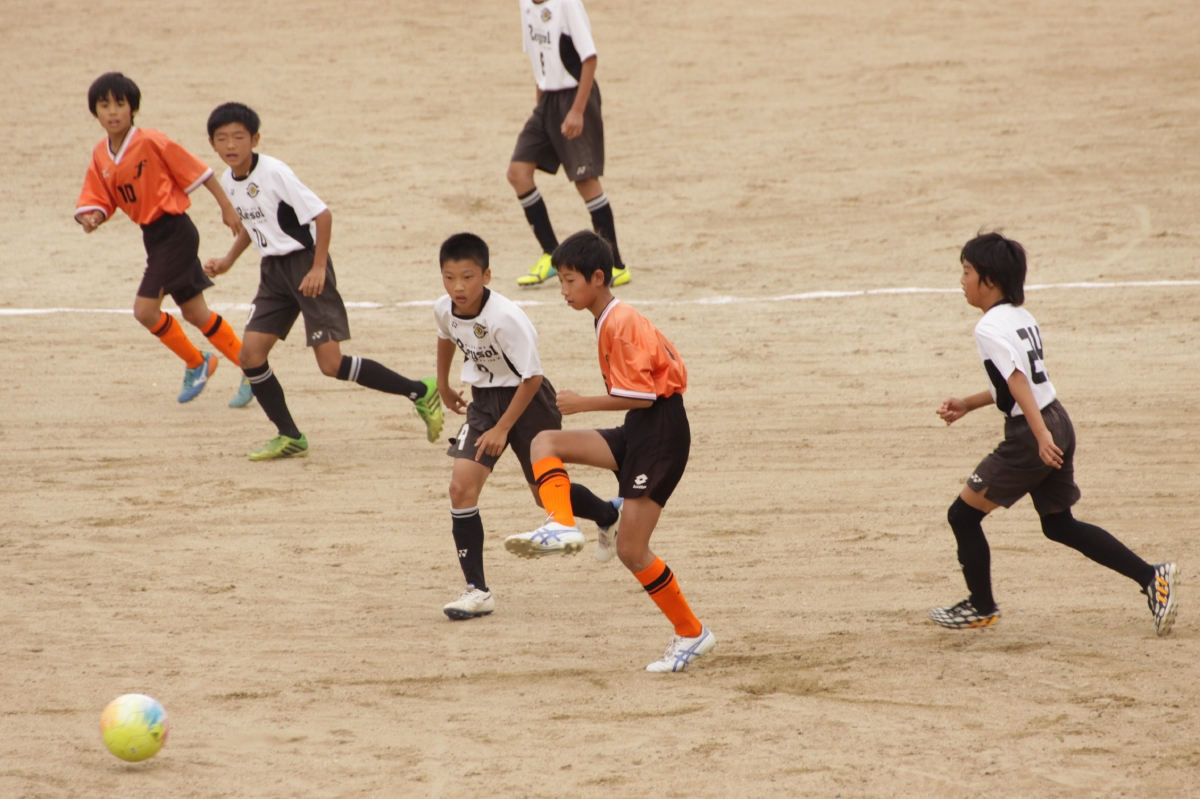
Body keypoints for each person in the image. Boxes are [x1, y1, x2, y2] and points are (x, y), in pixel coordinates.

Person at [932, 231, 1178, 635]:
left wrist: (1040, 436)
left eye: (967, 271)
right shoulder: (1021, 316)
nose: (962, 280)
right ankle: (1152, 576)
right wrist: (968, 403)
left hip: (1034, 433)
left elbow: (1017, 381)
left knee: (962, 515)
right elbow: (1019, 383)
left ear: (990, 279)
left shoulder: (988, 327)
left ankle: (981, 606)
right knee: (1059, 524)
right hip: (1056, 418)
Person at [504, 231, 714, 672]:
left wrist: (582, 403)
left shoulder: (621, 322)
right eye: (560, 281)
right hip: (642, 428)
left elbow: (643, 396)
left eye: (569, 281)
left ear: (597, 278)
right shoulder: (608, 318)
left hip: (661, 434)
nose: (563, 291)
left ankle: (691, 633)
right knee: (545, 442)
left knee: (632, 551)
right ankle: (562, 523)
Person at [201, 102, 442, 460]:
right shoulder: (228, 181)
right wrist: (228, 261)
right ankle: (290, 436)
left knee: (331, 365)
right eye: (222, 139)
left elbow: (322, 215)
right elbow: (256, 224)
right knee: (250, 356)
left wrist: (317, 268)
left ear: (255, 139)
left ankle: (420, 391)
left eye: (239, 137)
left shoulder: (274, 172)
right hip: (273, 275)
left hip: (306, 266)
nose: (231, 145)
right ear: (212, 144)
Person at [434, 232, 620, 619]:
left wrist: (503, 428)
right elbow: (446, 334)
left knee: (543, 496)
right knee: (460, 488)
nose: (458, 287)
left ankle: (608, 515)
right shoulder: (444, 308)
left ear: (486, 275)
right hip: (484, 402)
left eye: (467, 277)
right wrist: (443, 384)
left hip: (529, 402)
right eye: (449, 278)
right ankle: (477, 591)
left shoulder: (505, 318)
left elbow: (532, 378)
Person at [74, 72, 251, 407]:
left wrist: (227, 207)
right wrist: (92, 217)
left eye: (120, 104)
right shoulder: (101, 154)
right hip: (154, 237)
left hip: (175, 232)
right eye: (104, 105)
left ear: (133, 108)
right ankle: (251, 368)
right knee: (196, 313)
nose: (113, 112)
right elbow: (99, 197)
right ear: (94, 111)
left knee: (144, 311)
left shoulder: (150, 140)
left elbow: (201, 172)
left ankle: (197, 362)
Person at [507, 0, 630, 288]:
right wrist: (540, 106)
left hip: (576, 98)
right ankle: (551, 253)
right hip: (547, 101)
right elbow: (538, 56)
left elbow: (589, 59)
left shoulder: (567, 4)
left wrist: (577, 110)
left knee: (586, 182)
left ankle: (615, 265)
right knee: (518, 173)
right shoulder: (525, 5)